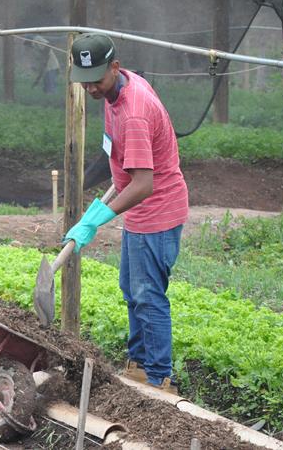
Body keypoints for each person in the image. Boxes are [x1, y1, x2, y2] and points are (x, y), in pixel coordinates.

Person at [63, 34, 188, 394]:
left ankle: (160, 378)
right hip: (139, 212)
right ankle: (138, 364)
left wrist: (96, 219)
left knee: (148, 295)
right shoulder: (117, 88)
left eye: (96, 80)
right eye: (84, 80)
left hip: (156, 212)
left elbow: (143, 184)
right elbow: (123, 160)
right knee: (131, 289)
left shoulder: (133, 111)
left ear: (115, 67)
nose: (89, 88)